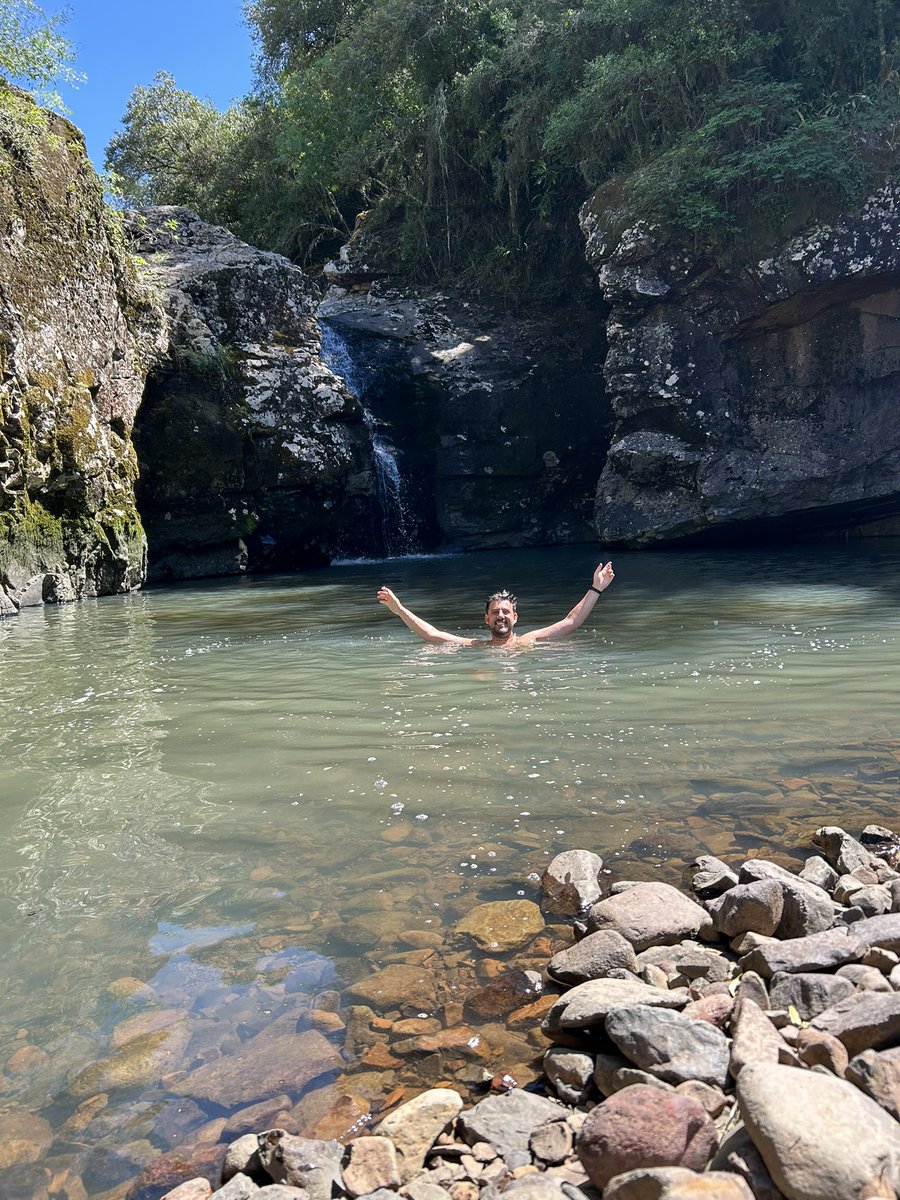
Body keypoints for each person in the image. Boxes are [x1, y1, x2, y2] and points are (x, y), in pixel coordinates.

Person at [376, 562, 614, 648]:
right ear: (486, 619)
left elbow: (571, 622)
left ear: (515, 617)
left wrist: (596, 588)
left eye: (505, 612)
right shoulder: (476, 645)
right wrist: (399, 610)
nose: (501, 616)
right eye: (495, 613)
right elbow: (434, 635)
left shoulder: (529, 641)